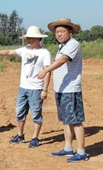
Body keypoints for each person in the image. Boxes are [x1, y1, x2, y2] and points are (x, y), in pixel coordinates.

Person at [0, 26, 52, 148]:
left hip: (36, 89)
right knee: (20, 112)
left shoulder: (44, 53)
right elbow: (9, 52)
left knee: (36, 114)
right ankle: (20, 135)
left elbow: (48, 71)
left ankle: (35, 138)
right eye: (27, 38)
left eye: (30, 38)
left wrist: (45, 89)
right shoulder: (25, 50)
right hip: (23, 88)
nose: (28, 40)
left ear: (37, 38)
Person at [37, 18, 88, 162]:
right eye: (57, 32)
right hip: (61, 88)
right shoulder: (62, 46)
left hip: (71, 89)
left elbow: (62, 60)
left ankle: (82, 151)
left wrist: (46, 70)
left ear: (70, 32)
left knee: (76, 120)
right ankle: (67, 148)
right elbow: (58, 61)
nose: (58, 34)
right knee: (66, 120)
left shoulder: (73, 44)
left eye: (62, 31)